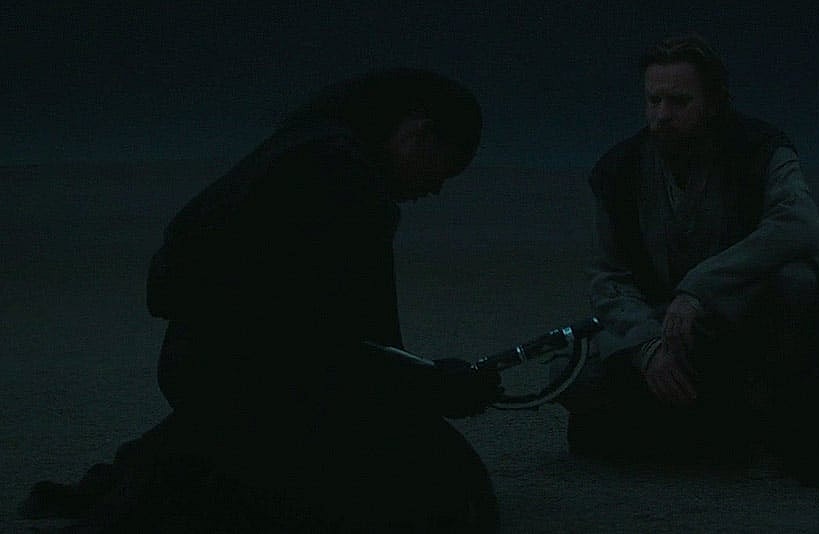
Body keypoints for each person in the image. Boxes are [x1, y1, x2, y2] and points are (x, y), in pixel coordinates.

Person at [20, 68, 503, 532]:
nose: (436, 188)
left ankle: (164, 474)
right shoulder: (343, 179)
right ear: (419, 132)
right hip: (246, 379)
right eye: (444, 168)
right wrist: (433, 384)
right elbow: (340, 346)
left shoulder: (305, 150)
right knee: (446, 501)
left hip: (207, 367)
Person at [554, 34, 819, 491]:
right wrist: (647, 347)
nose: (662, 115)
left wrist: (700, 288)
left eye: (679, 101)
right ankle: (729, 431)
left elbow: (798, 224)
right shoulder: (618, 170)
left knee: (797, 282)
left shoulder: (759, 149)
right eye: (654, 101)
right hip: (666, 329)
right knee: (574, 377)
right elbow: (608, 277)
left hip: (748, 320)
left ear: (713, 102)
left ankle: (800, 436)